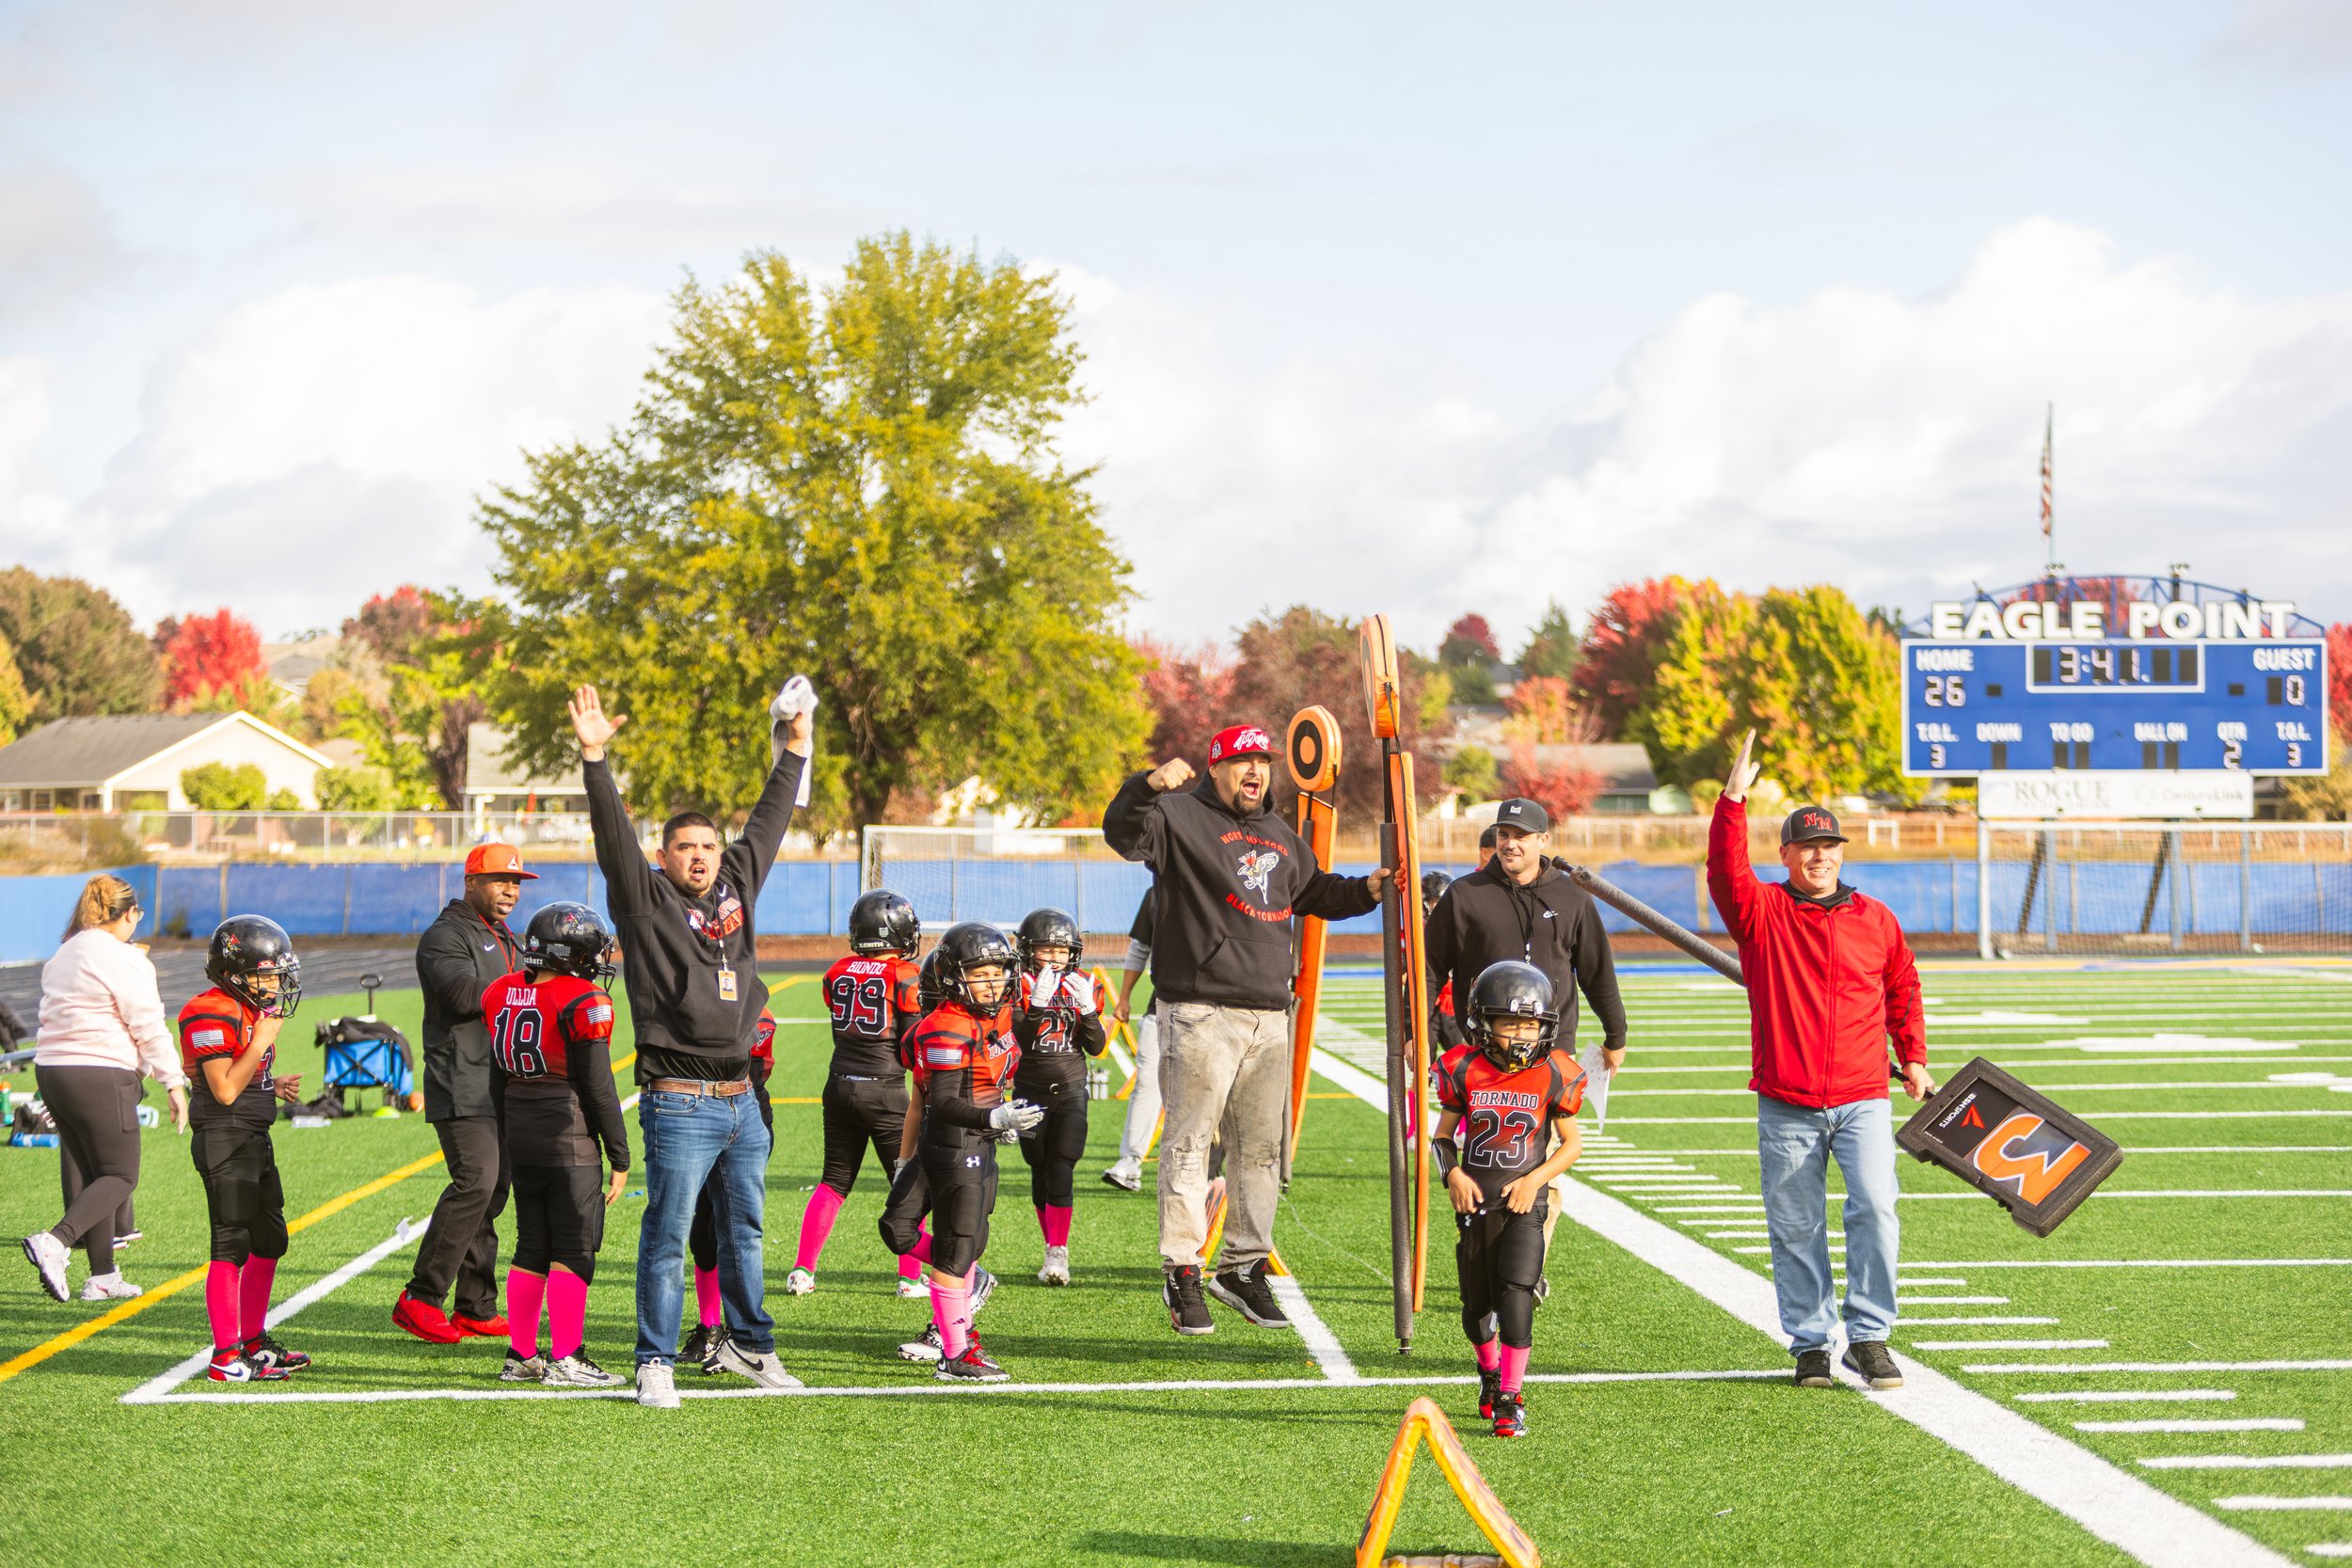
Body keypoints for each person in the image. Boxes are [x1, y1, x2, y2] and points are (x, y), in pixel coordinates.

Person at [1103, 722, 1390, 1337]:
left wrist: (1368, 888)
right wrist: (1146, 784)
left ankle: (1241, 1265)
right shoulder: (1177, 814)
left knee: (1261, 1150)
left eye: (1263, 760)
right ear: (1217, 766)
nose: (1255, 770)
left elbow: (1316, 892)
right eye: (1242, 760)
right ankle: (1183, 1268)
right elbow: (1122, 833)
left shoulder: (1280, 833)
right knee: (1189, 1141)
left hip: (1268, 1013)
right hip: (1200, 1010)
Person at [571, 680, 811, 1409]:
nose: (702, 857)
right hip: (679, 1099)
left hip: (743, 1099)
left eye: (709, 845)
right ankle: (655, 1359)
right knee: (669, 1231)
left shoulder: (737, 879)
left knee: (745, 1230)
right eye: (687, 847)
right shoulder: (645, 900)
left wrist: (796, 749)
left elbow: (768, 822)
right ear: (664, 855)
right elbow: (613, 836)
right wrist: (594, 759)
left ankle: (751, 1344)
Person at [1707, 730, 1931, 1392]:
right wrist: (1732, 800)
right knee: (1796, 1225)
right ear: (1787, 855)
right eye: (1808, 847)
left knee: (1876, 1210)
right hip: (1787, 1101)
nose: (1820, 857)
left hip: (1863, 1096)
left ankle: (1870, 1337)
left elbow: (1903, 988)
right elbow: (1724, 871)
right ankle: (1811, 1343)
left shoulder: (1876, 918)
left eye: (1829, 846)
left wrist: (1912, 1057)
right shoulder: (1763, 912)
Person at [1423, 797, 1629, 1289]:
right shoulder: (1466, 894)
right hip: (1481, 1053)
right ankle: (1485, 1260)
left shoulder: (1573, 898)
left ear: (1543, 840)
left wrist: (1615, 1034)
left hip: (1550, 1055)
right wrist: (1416, 1033)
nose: (1510, 843)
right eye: (1503, 834)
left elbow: (1597, 969)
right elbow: (1430, 968)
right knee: (1486, 1161)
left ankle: (1525, 1270)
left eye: (1521, 835)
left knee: (1544, 1172)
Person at [1433, 961, 1588, 1439]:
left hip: (1526, 1203)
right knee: (1475, 1306)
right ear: (1484, 1023)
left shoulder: (1555, 1072)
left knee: (1516, 1291)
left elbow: (1572, 1144)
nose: (1522, 1034)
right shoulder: (1463, 1067)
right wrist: (1453, 1174)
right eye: (1509, 1023)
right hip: (1475, 1205)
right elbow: (1441, 1139)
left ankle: (1510, 1395)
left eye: (1530, 1024)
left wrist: (1533, 1181)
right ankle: (1488, 1371)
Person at [484, 902, 630, 1388]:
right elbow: (598, 1086)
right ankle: (567, 1357)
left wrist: (507, 1134)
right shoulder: (582, 999)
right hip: (567, 1135)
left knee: (531, 1245)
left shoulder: (501, 991)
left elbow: (495, 1078)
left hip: (520, 1129)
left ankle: (522, 1355)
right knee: (574, 1247)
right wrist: (620, 1154)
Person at [20, 875, 187, 1303]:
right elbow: (147, 1024)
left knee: (94, 1173)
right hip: (100, 1072)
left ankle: (103, 1275)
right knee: (119, 1174)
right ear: (128, 914)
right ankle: (55, 1242)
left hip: (52, 1071)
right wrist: (173, 1081)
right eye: (138, 915)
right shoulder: (124, 958)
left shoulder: (65, 951)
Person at [394, 842, 533, 1346]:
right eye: (500, 880)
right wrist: (530, 988)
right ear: (471, 882)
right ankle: (420, 1296)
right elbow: (459, 993)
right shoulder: (445, 935)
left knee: (492, 1192)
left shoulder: (504, 935)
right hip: (462, 1081)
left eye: (516, 882)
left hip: (499, 1083)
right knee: (476, 1181)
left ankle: (474, 1305)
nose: (510, 890)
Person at [903, 922, 1039, 1383]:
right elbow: (938, 1101)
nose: (993, 983)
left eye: (998, 973)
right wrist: (995, 1118)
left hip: (975, 1146)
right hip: (953, 1142)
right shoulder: (947, 1026)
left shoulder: (993, 1015)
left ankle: (957, 1351)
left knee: (960, 1247)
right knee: (898, 1231)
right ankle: (962, 1290)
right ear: (954, 978)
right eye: (981, 974)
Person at [777, 889, 925, 1300]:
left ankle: (803, 1270)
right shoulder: (905, 975)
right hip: (887, 1090)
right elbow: (911, 1043)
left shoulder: (837, 970)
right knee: (907, 1182)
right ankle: (910, 1277)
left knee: (834, 1181)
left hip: (839, 1083)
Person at [179, 916, 308, 1383]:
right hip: (224, 1136)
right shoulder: (209, 1010)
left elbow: (243, 1080)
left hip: (251, 1134)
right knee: (231, 1243)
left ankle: (254, 1341)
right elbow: (224, 1091)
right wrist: (259, 1045)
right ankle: (225, 1356)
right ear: (235, 974)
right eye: (267, 974)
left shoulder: (242, 1008)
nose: (275, 984)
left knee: (271, 1241)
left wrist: (271, 1085)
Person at [1009, 907, 1106, 1285]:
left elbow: (1096, 1047)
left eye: (1062, 951)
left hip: (1069, 1087)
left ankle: (1057, 1251)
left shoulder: (1084, 982)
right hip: (1030, 1087)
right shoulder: (1014, 984)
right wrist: (1034, 1007)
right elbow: (1019, 1042)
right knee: (1038, 1165)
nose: (1055, 958)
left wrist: (1089, 1011)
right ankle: (1051, 1244)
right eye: (1046, 950)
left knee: (1062, 1164)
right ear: (1028, 950)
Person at [682, 1004, 778, 1373]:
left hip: (743, 1112)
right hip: (700, 1112)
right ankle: (709, 1327)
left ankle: (738, 1335)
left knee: (733, 1228)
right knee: (702, 1230)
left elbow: (760, 1067)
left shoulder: (756, 1012)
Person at [1101, 887, 1158, 1193]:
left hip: (1221, 1010)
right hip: (1164, 1005)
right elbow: (1141, 946)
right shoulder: (1157, 890)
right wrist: (1123, 998)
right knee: (1148, 1083)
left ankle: (1211, 1171)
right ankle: (1130, 1162)